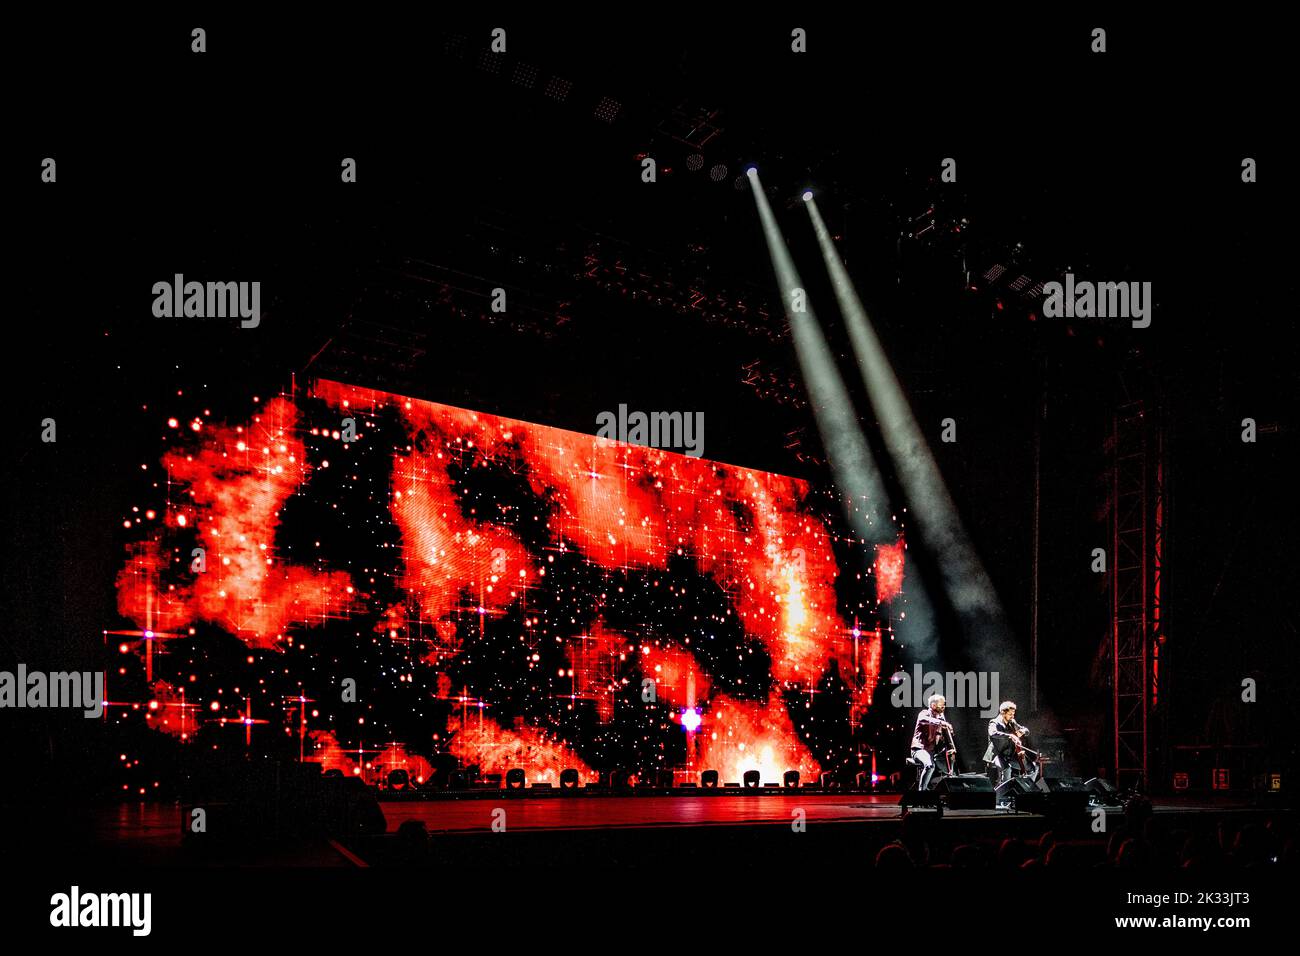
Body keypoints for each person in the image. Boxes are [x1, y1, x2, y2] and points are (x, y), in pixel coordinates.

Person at [910, 694, 956, 791]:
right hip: (919, 750)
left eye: (944, 705)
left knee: (950, 772)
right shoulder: (924, 714)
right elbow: (927, 720)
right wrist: (942, 723)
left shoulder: (940, 719)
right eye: (941, 705)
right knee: (930, 765)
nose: (943, 707)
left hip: (931, 752)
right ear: (933, 705)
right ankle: (921, 793)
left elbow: (941, 740)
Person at [984, 700, 1032, 792]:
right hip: (997, 755)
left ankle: (1026, 790)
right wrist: (1010, 735)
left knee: (1032, 768)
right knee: (1007, 769)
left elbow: (1026, 730)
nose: (1012, 716)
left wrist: (1023, 731)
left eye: (1013, 714)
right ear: (1003, 712)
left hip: (1009, 755)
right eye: (1010, 714)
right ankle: (1002, 796)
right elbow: (992, 733)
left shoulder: (1012, 722)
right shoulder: (994, 722)